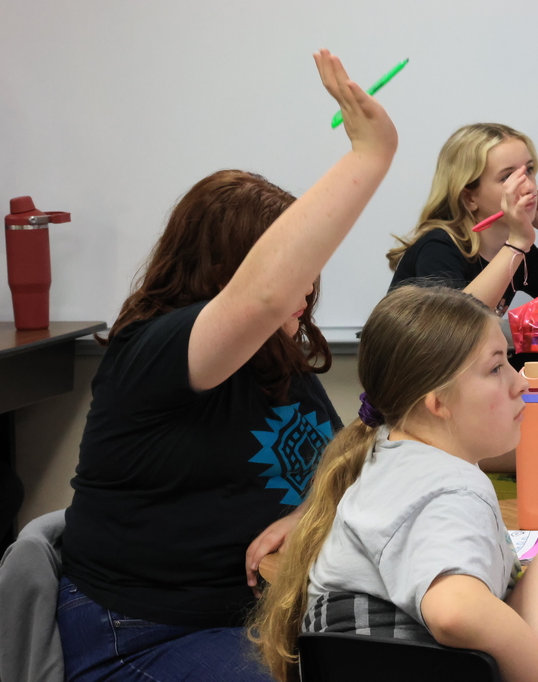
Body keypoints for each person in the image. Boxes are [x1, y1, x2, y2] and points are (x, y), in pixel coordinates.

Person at [56, 50, 398, 681]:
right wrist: (369, 156)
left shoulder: (277, 357)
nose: (304, 292)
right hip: (144, 633)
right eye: (295, 271)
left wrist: (306, 514)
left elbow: (345, 459)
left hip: (268, 615)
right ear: (225, 273)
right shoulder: (153, 353)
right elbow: (264, 295)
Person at [250, 285, 538, 682]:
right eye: (496, 369)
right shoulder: (446, 484)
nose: (520, 383)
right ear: (437, 403)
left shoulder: (389, 455)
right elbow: (454, 610)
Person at [387, 123, 538, 318]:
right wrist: (517, 244)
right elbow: (456, 330)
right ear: (469, 197)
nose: (529, 186)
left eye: (529, 170)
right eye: (508, 177)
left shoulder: (521, 256)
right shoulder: (438, 247)